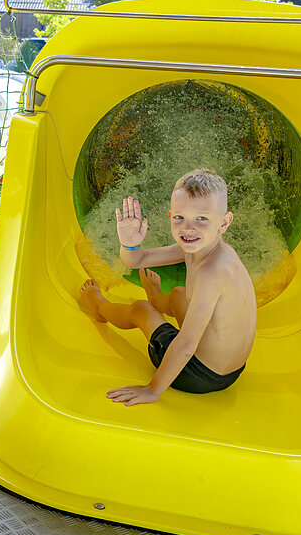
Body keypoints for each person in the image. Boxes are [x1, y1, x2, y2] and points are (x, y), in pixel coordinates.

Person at [78, 169, 256, 405]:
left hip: (199, 374)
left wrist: (152, 391)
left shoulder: (211, 272)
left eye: (202, 219)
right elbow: (137, 260)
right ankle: (158, 299)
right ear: (170, 215)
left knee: (141, 309)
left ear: (224, 223)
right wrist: (129, 245)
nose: (188, 228)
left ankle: (99, 307)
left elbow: (187, 344)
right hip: (231, 369)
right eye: (180, 218)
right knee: (179, 293)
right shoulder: (205, 248)